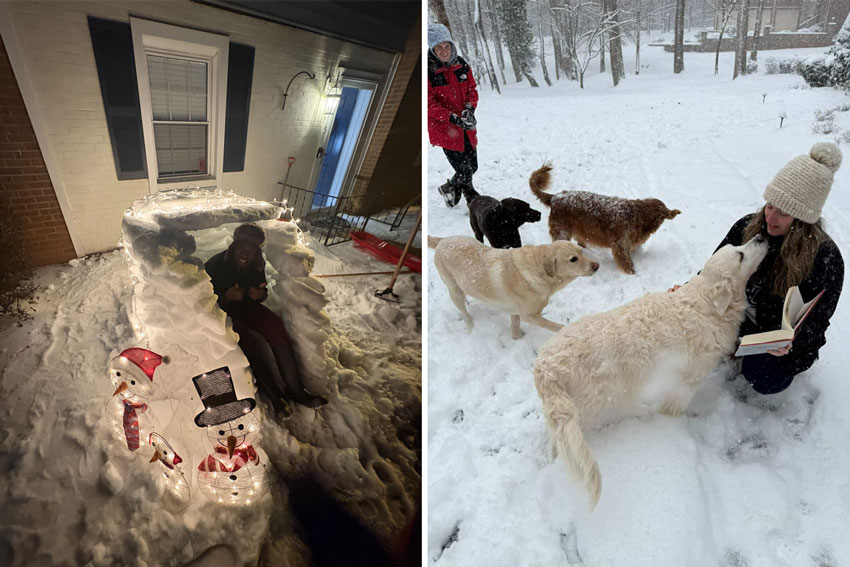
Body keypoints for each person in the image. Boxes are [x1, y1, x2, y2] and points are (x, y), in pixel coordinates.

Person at [674, 142, 844, 395]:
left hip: (769, 339)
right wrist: (686, 293)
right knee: (678, 328)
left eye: (783, 213)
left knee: (764, 378)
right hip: (735, 318)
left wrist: (792, 345)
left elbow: (816, 323)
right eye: (770, 205)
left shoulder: (824, 259)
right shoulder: (746, 228)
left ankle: (750, 355)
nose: (770, 217)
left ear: (802, 219)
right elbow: (713, 272)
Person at [205, 223, 327, 418]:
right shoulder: (215, 264)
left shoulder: (256, 264)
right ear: (234, 245)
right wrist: (226, 297)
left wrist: (259, 294)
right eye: (243, 246)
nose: (246, 252)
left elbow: (262, 290)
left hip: (247, 306)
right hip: (223, 312)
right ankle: (274, 397)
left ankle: (295, 390)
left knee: (276, 328)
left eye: (252, 248)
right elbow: (203, 300)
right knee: (246, 340)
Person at [427, 22, 479, 208]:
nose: (444, 51)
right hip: (445, 129)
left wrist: (468, 108)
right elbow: (428, 103)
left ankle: (449, 187)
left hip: (465, 126)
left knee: (473, 166)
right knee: (464, 170)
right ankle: (473, 200)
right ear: (432, 48)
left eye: (446, 46)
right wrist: (451, 117)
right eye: (438, 47)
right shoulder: (427, 71)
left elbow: (472, 89)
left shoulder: (461, 65)